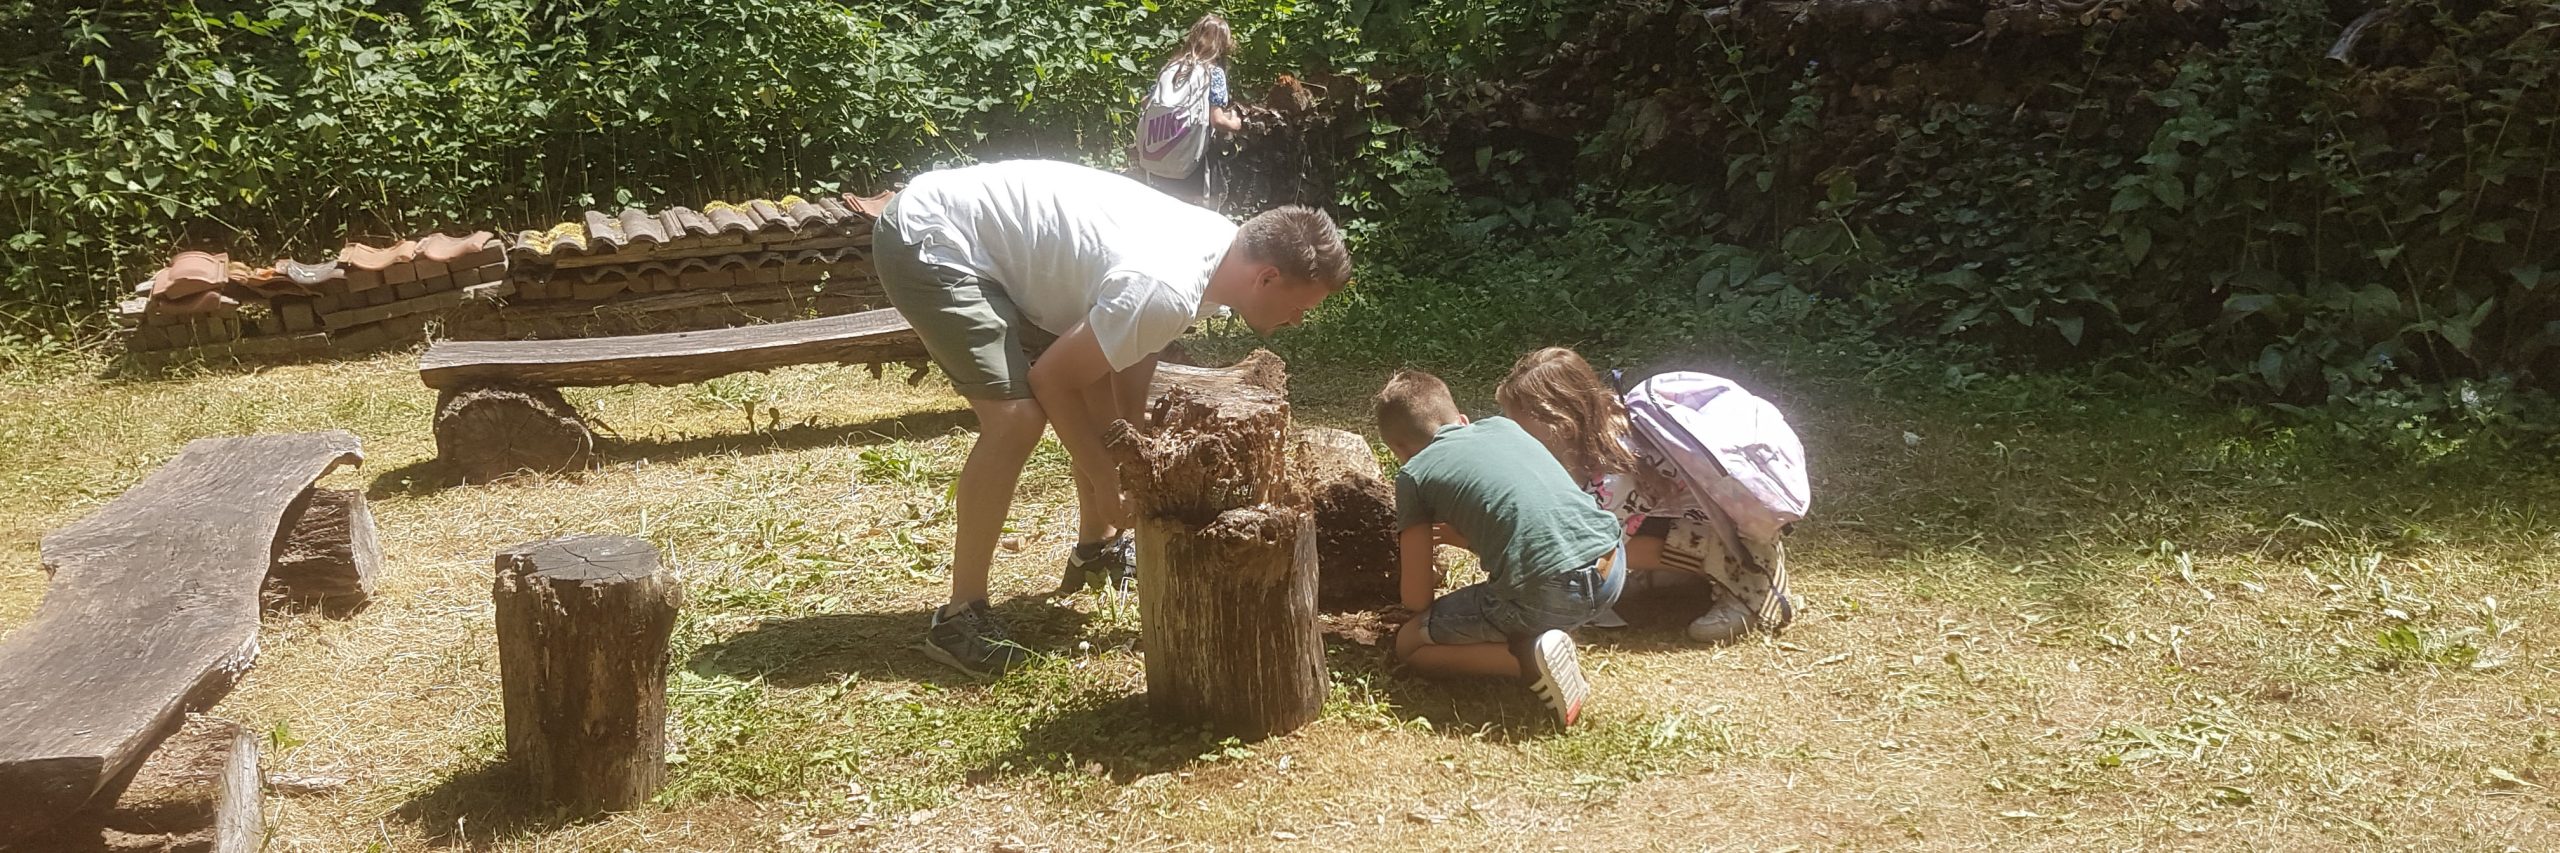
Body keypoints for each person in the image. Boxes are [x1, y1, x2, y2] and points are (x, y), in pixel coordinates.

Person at [874, 159, 1352, 677]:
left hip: (974, 231)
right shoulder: (1169, 283)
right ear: (1268, 277)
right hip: (932, 237)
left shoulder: (1221, 252)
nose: (1298, 319)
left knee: (1093, 384)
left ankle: (1095, 549)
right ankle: (958, 616)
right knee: (1016, 419)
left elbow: (1129, 348)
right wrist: (1106, 479)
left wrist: (1135, 451)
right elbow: (1052, 380)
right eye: (1301, 305)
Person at [1495, 347, 1803, 644]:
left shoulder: (1614, 472)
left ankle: (1749, 585)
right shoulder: (1608, 418)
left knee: (1605, 550)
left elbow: (1584, 545)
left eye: (1523, 429)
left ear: (1558, 424)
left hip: (1733, 537)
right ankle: (1689, 571)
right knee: (1617, 540)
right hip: (1691, 517)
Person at [1374, 369, 1625, 727]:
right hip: (1611, 566)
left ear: (1399, 450)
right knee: (1550, 595)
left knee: (1409, 646)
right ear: (1460, 419)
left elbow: (1416, 599)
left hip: (1549, 591)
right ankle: (1552, 633)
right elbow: (1537, 516)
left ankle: (1527, 657)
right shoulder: (1504, 427)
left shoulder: (1413, 474)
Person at [1134, 13, 1245, 205]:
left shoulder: (1172, 67)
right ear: (1223, 45)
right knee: (1193, 212)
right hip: (1192, 164)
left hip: (1160, 159)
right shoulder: (1214, 73)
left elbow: (1146, 102)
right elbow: (1217, 120)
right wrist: (1235, 123)